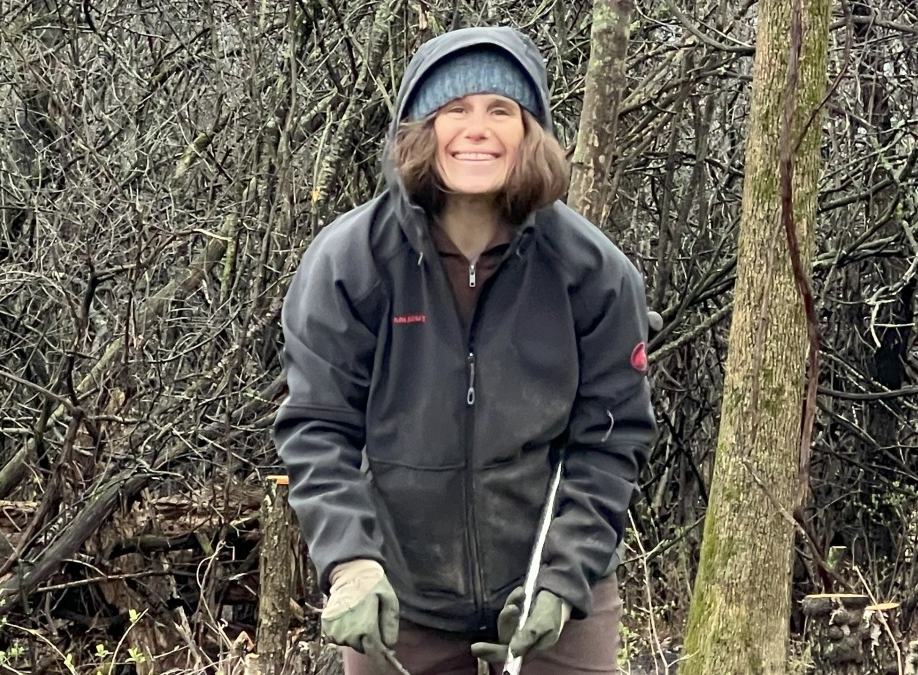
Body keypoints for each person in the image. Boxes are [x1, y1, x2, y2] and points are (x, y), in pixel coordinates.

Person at [272, 25, 659, 675]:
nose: (477, 128)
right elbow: (317, 426)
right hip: (401, 592)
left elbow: (611, 439)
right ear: (421, 131)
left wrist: (564, 578)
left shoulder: (594, 272)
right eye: (456, 109)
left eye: (500, 110)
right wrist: (351, 561)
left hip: (554, 590)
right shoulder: (350, 262)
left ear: (530, 131)